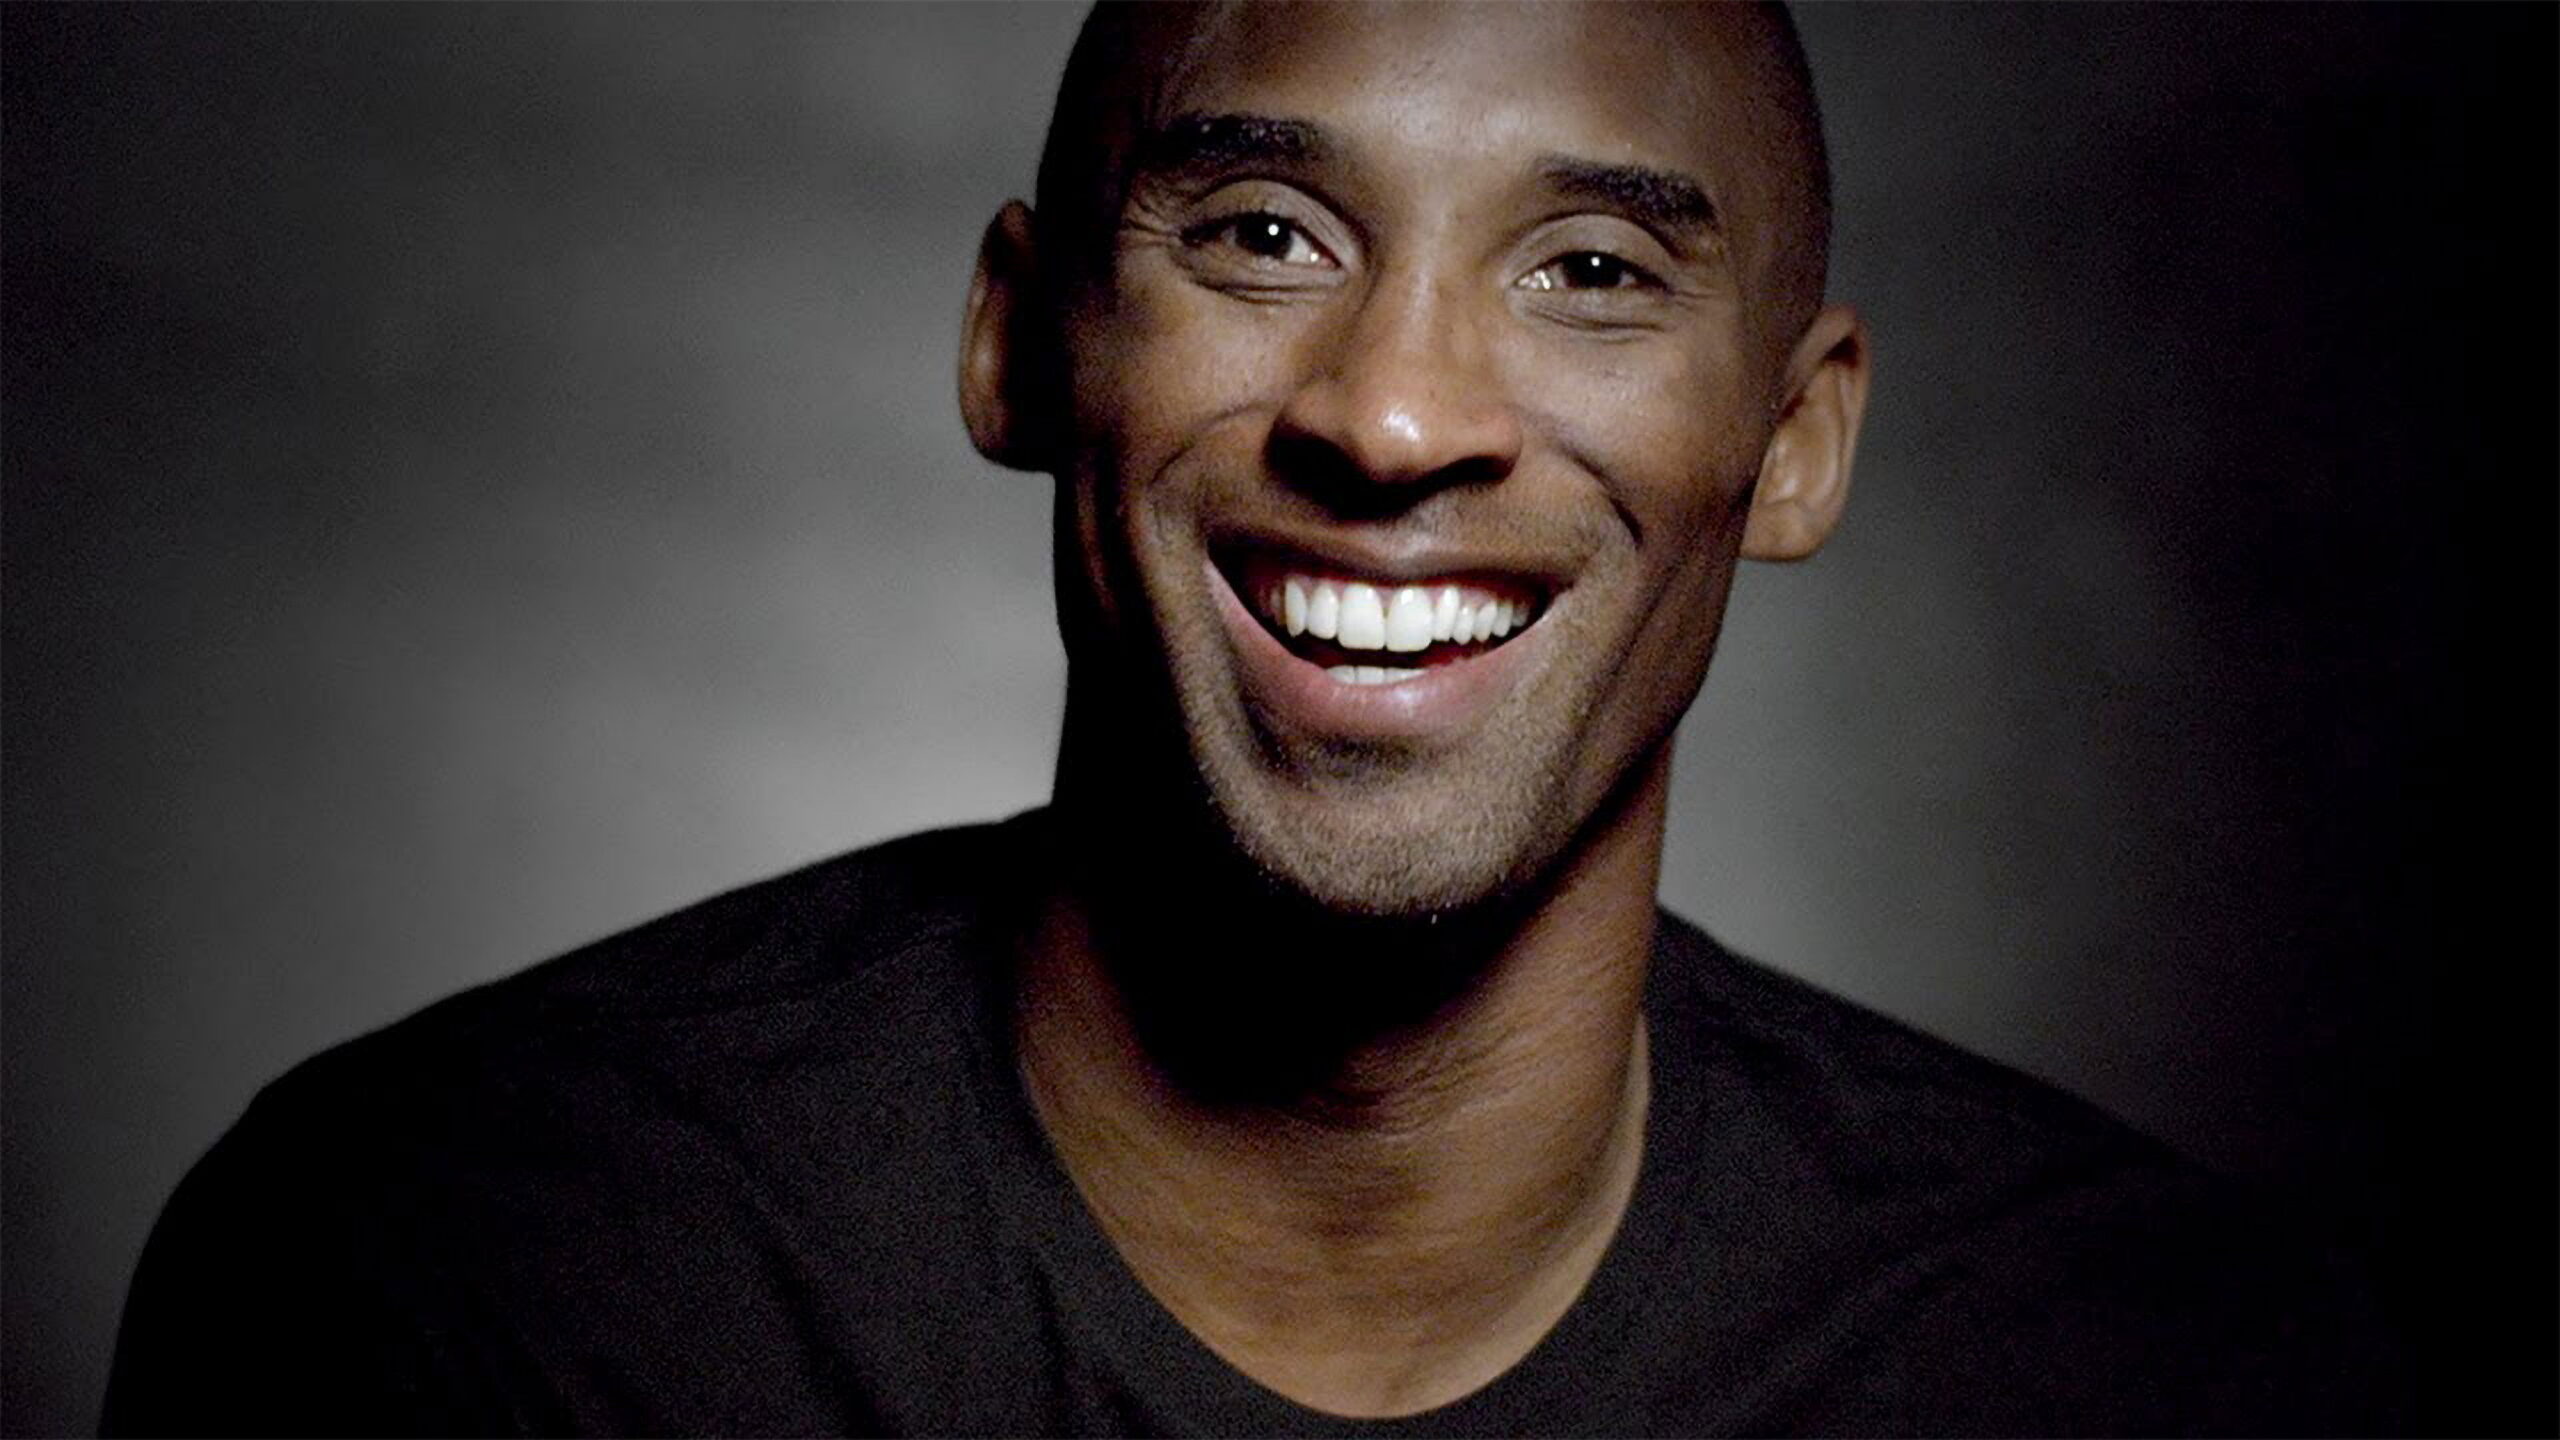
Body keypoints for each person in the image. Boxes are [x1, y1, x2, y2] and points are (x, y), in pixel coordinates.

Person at [103, 3, 2398, 1434]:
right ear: (1020, 343)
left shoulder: (2149, 1371)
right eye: (1262, 234)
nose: (1390, 416)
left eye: (1589, 273)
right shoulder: (459, 1278)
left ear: (1791, 445)